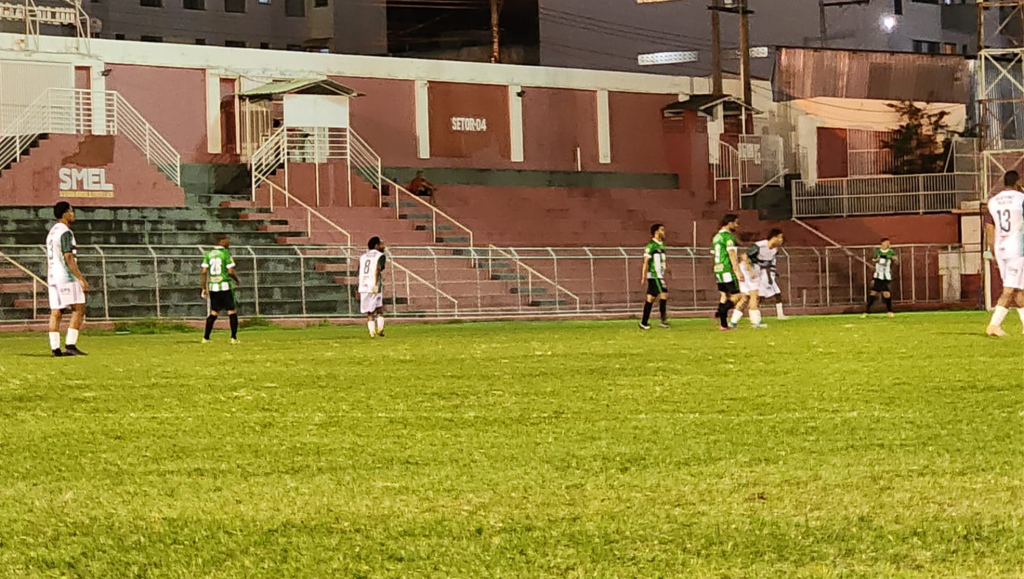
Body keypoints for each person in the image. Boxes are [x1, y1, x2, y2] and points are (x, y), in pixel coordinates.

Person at [46, 201, 88, 357]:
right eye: (71, 211)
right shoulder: (65, 232)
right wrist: (81, 278)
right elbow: (68, 257)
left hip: (52, 276)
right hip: (66, 277)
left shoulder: (52, 232)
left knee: (56, 311)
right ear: (65, 213)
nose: (73, 214)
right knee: (79, 308)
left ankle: (55, 348)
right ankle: (70, 345)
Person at [985, 170, 1024, 336]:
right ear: (1017, 182)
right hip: (1017, 248)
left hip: (1000, 248)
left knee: (1018, 289)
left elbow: (989, 227)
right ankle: (994, 325)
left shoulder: (993, 201)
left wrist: (992, 250)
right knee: (1009, 289)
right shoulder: (1021, 199)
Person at [732, 228, 785, 329]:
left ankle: (733, 322)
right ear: (774, 237)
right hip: (747, 269)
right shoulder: (760, 245)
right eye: (780, 237)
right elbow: (744, 255)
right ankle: (756, 322)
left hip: (755, 271)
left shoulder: (774, 250)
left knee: (746, 297)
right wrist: (750, 270)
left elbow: (767, 264)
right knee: (755, 295)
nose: (781, 240)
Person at [201, 234, 241, 344]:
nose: (229, 242)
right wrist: (236, 280)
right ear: (221, 241)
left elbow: (204, 271)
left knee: (214, 312)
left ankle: (206, 338)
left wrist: (204, 287)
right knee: (231, 311)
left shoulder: (208, 254)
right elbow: (230, 271)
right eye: (227, 240)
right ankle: (233, 338)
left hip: (213, 287)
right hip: (224, 286)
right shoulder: (225, 254)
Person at [712, 214, 744, 331]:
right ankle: (720, 312)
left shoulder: (716, 237)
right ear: (729, 223)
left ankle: (723, 325)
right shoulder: (728, 237)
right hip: (726, 269)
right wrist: (737, 271)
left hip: (718, 269)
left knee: (724, 295)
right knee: (738, 296)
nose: (737, 225)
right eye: (735, 223)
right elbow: (731, 255)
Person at [639, 223, 669, 330]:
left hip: (660, 274)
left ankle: (644, 322)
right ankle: (663, 320)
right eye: (662, 230)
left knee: (650, 298)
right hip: (654, 275)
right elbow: (645, 262)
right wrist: (643, 276)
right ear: (656, 232)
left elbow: (662, 260)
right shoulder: (651, 245)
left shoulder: (661, 244)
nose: (664, 232)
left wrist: (668, 269)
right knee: (664, 294)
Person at [359, 236, 388, 338]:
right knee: (379, 308)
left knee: (369, 312)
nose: (383, 246)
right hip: (374, 285)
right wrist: (375, 283)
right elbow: (377, 269)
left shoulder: (363, 257)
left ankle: (372, 332)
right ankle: (380, 329)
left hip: (363, 285)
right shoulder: (380, 256)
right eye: (381, 244)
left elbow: (360, 269)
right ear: (376, 245)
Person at [863, 238, 898, 318]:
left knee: (879, 292)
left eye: (889, 243)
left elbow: (896, 261)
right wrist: (877, 260)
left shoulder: (891, 251)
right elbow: (874, 260)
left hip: (886, 276)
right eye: (886, 243)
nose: (888, 244)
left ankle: (867, 311)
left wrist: (893, 258)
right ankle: (888, 311)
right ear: (882, 244)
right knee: (881, 293)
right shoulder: (878, 251)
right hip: (878, 275)